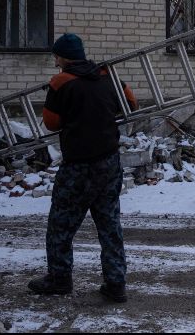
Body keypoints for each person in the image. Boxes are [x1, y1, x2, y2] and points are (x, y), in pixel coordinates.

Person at [28, 33, 138, 302]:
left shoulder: (61, 82)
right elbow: (131, 105)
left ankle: (59, 279)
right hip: (109, 163)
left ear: (63, 57)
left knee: (61, 224)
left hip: (78, 166)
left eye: (56, 57)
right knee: (109, 224)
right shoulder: (108, 76)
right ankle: (115, 284)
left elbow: (51, 123)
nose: (55, 62)